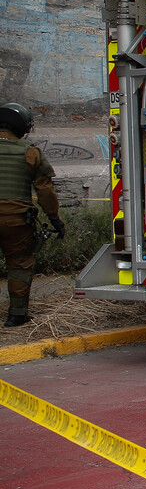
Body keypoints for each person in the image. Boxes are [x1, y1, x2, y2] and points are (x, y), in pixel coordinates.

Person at [0, 103, 64, 326]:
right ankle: (16, 315)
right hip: (16, 220)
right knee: (19, 263)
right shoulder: (29, 151)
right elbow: (45, 191)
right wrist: (55, 219)